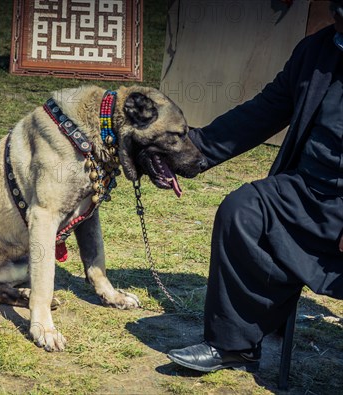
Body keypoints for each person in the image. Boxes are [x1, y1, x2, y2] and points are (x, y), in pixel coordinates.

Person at [167, 0, 343, 373]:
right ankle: (235, 345)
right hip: (307, 190)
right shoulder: (318, 50)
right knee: (243, 209)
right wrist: (190, 151)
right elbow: (264, 110)